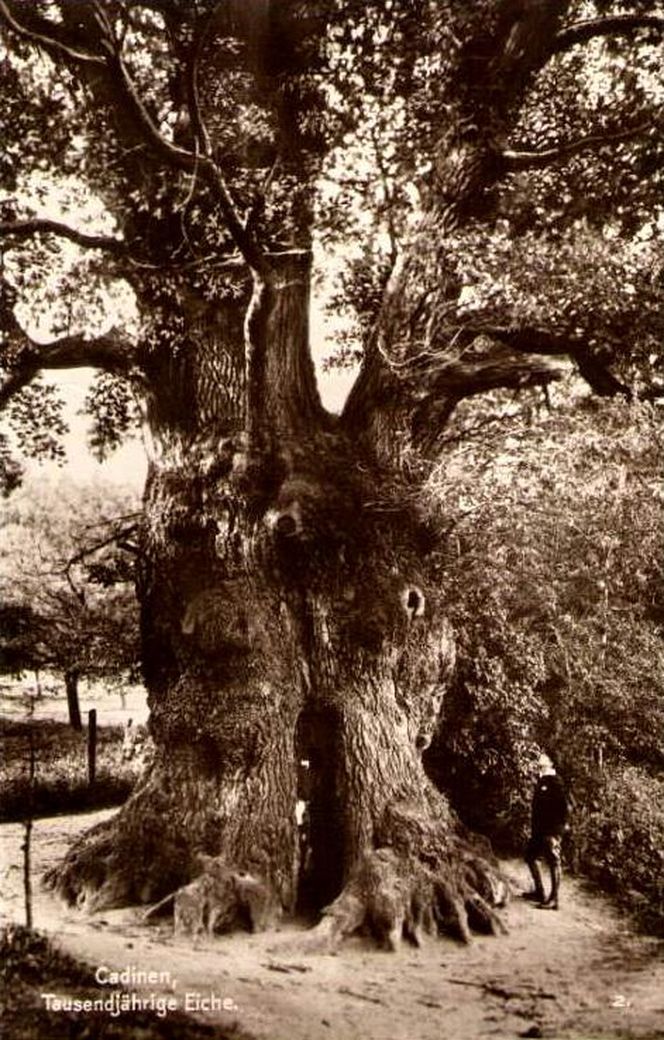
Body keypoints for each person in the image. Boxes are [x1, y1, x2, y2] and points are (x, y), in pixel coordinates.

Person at [524, 753, 568, 910]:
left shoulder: (556, 782)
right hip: (539, 829)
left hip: (551, 830)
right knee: (530, 857)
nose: (539, 758)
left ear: (551, 762)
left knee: (554, 862)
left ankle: (554, 899)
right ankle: (539, 891)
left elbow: (562, 809)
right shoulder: (542, 779)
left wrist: (556, 832)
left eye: (544, 756)